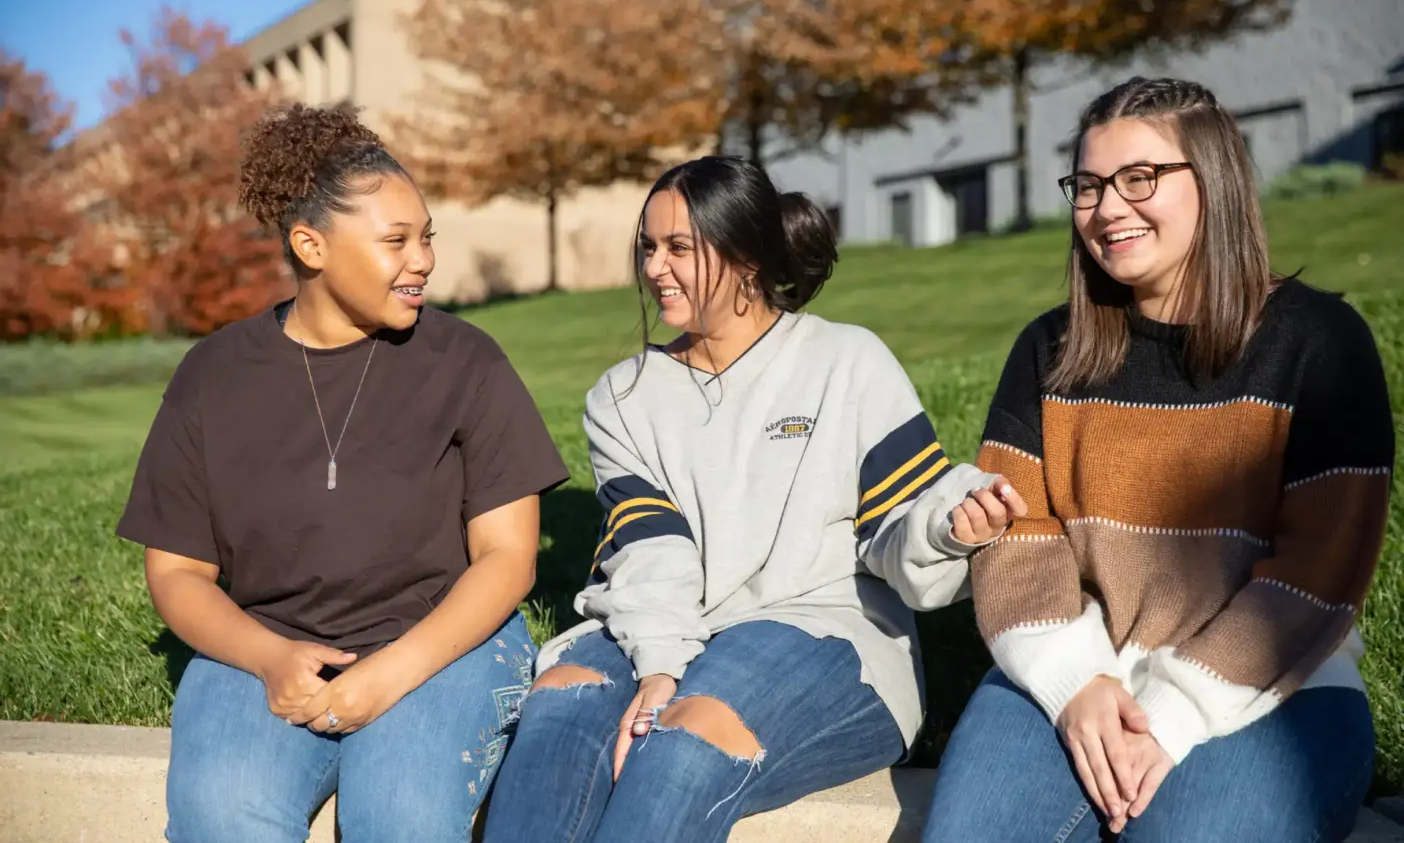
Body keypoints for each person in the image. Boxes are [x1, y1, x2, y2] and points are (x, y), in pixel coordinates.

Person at [479, 155, 1028, 843]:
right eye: (648, 246)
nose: (654, 267)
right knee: (560, 709)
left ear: (745, 258)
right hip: (662, 621)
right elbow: (652, 555)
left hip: (824, 629)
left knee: (685, 743)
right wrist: (659, 666)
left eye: (680, 247)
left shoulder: (846, 361)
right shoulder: (621, 397)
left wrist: (950, 528)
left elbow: (903, 521)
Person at [920, 76, 1394, 842]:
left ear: (1215, 179)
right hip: (1072, 676)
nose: (1107, 209)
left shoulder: (1318, 342)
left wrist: (1172, 718)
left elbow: (1319, 569)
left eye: (1140, 178)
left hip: (1275, 691)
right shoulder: (1048, 351)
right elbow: (1020, 537)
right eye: (1089, 185)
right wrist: (1075, 682)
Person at [114, 102, 570, 843]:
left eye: (426, 238)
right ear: (311, 246)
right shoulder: (213, 377)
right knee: (219, 819)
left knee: (399, 822)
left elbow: (508, 559)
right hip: (265, 644)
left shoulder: (467, 362)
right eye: (395, 241)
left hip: (446, 643)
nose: (421, 259)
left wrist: (386, 677)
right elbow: (177, 572)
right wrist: (268, 659)